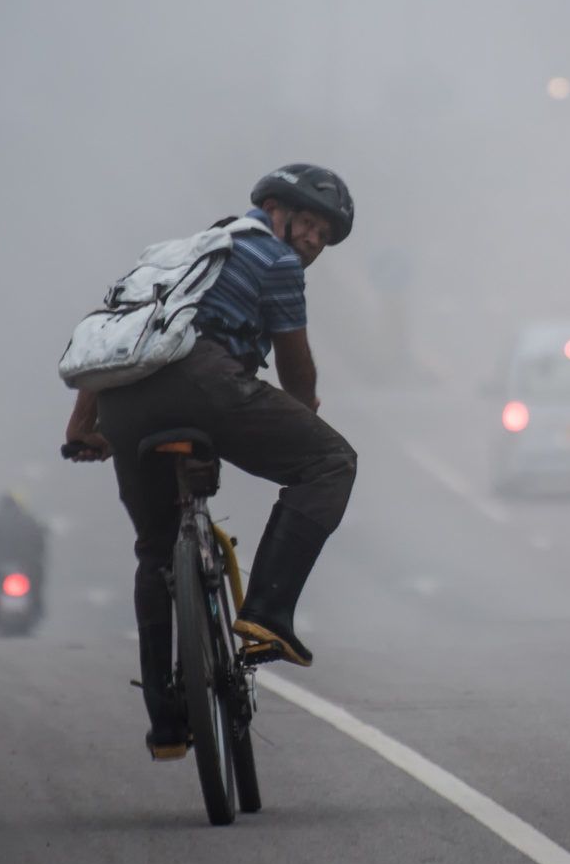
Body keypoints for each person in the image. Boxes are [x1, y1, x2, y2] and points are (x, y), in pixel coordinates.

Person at [64, 164, 358, 761]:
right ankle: (269, 613)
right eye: (309, 223)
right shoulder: (273, 262)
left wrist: (84, 427)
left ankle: (167, 723)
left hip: (124, 399)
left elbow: (121, 335)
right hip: (206, 381)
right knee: (331, 461)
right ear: (274, 208)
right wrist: (300, 419)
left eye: (326, 235)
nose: (314, 241)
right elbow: (296, 368)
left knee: (155, 552)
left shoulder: (175, 256)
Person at [0, 489, 48, 627]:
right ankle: (37, 609)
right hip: (26, 566)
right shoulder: (29, 519)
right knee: (37, 582)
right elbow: (40, 545)